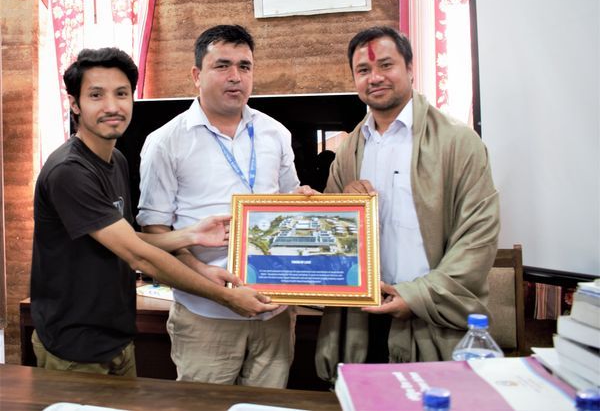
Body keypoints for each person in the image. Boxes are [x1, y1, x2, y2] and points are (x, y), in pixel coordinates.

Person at [30, 47, 278, 377]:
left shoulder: (115, 159)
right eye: (96, 95)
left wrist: (190, 235)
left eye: (121, 94)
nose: (112, 106)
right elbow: (139, 257)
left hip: (116, 336)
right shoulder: (69, 171)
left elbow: (128, 238)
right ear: (75, 104)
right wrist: (225, 296)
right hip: (73, 344)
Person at [315, 26, 500, 382]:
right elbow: (331, 241)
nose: (375, 77)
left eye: (386, 65)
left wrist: (416, 296)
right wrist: (337, 208)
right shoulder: (348, 150)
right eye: (364, 70)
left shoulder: (458, 142)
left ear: (411, 68)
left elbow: (478, 238)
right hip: (361, 323)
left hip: (430, 319)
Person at [137, 25, 313, 388]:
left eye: (244, 66)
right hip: (206, 313)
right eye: (222, 66)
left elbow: (289, 207)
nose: (236, 76)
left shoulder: (275, 133)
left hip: (274, 311)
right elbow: (154, 231)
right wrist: (202, 273)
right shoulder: (165, 142)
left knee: (268, 407)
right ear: (196, 75)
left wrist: (309, 205)